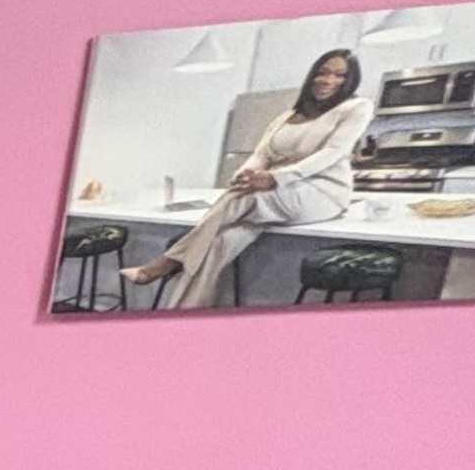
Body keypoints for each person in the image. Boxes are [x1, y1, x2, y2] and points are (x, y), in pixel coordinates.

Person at [121, 46, 370, 310]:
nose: (328, 80)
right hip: (278, 195)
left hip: (321, 193)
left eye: (339, 75)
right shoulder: (287, 116)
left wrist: (274, 178)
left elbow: (334, 152)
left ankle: (166, 263)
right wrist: (245, 174)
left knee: (245, 197)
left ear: (350, 80)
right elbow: (261, 154)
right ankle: (183, 315)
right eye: (323, 72)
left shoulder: (356, 107)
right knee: (217, 244)